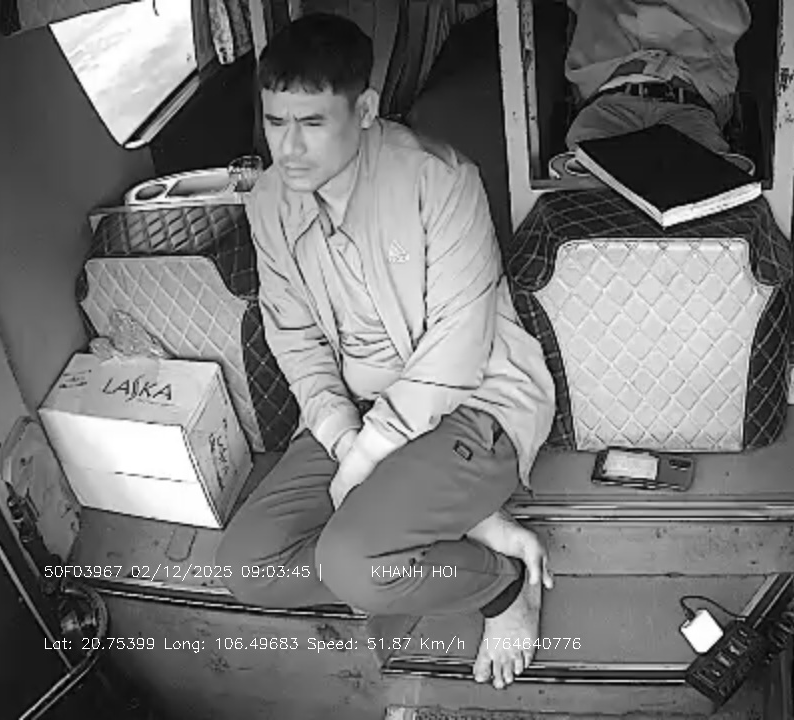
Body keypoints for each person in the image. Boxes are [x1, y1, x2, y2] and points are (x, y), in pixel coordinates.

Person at [214, 13, 558, 691]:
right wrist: (344, 437)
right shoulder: (270, 202)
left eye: (312, 122)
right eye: (275, 122)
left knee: (352, 563)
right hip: (358, 410)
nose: (289, 147)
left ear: (365, 110)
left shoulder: (440, 180)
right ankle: (466, 528)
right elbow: (294, 335)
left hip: (468, 402)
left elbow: (458, 347)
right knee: (246, 565)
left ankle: (500, 585)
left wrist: (369, 455)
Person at [562, 0, 751, 154]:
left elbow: (733, 22)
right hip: (609, 104)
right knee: (590, 173)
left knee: (701, 178)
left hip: (685, 105)